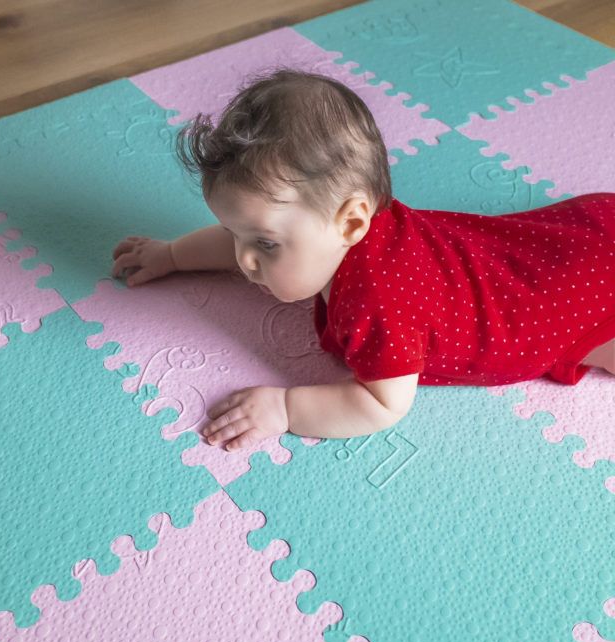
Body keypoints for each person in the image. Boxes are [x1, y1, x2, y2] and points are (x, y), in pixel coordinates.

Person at [111, 70, 615, 449]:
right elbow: (241, 242)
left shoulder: (379, 302)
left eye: (264, 245)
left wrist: (285, 408)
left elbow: (382, 403)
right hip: (580, 234)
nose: (243, 261)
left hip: (586, 305)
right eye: (232, 234)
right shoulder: (344, 225)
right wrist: (173, 254)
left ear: (351, 222)